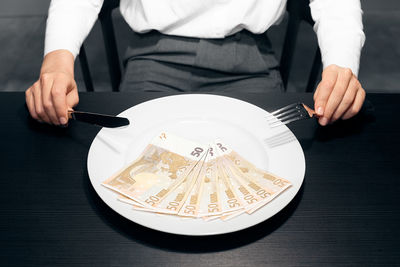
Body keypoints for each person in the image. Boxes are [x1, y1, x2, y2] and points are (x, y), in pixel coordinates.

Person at [25, 0, 366, 127]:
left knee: (266, 173)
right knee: (135, 166)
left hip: (250, 56)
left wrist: (340, 64)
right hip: (154, 53)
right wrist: (56, 58)